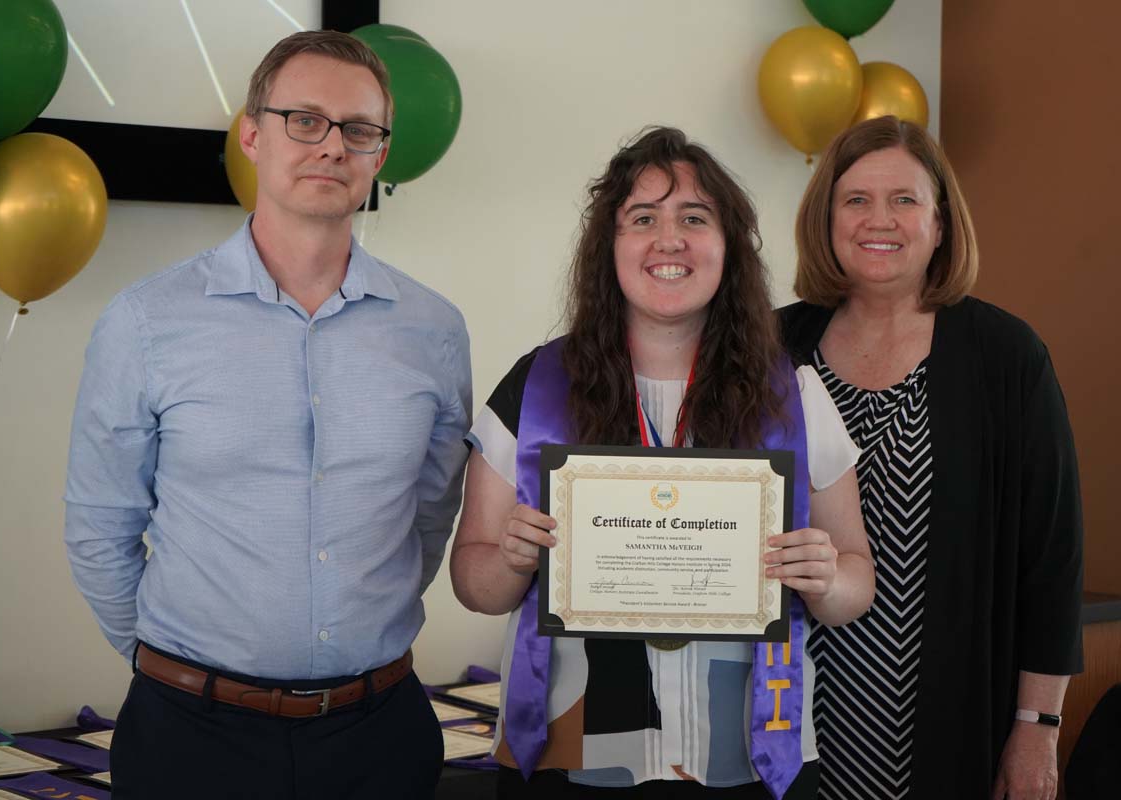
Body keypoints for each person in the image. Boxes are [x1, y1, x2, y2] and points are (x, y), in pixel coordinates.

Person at [63, 31, 471, 800]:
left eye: (359, 129)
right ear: (253, 134)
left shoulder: (435, 330)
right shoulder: (146, 322)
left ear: (380, 154)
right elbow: (99, 528)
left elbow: (426, 517)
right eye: (304, 120)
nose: (332, 146)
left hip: (380, 735)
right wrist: (178, 670)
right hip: (189, 736)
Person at [450, 126, 874, 799]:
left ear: (728, 245)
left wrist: (826, 577)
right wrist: (508, 559)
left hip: (749, 754)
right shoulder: (535, 387)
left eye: (694, 218)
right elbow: (474, 584)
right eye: (642, 218)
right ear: (607, 248)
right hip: (574, 753)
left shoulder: (791, 391)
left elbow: (856, 586)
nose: (668, 238)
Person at [779, 115, 1084, 800]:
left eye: (904, 200)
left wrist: (1038, 727)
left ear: (941, 224)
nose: (877, 220)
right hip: (782, 722)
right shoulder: (772, 348)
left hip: (939, 723)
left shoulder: (1006, 358)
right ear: (826, 220)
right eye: (855, 200)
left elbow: (1052, 559)